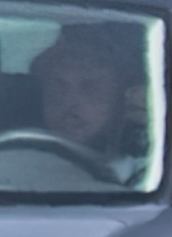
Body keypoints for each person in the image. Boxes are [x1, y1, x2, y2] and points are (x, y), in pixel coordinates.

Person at [27, 24, 148, 177]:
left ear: (122, 99)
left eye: (91, 88)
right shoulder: (15, 165)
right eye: (57, 88)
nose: (69, 102)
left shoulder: (148, 176)